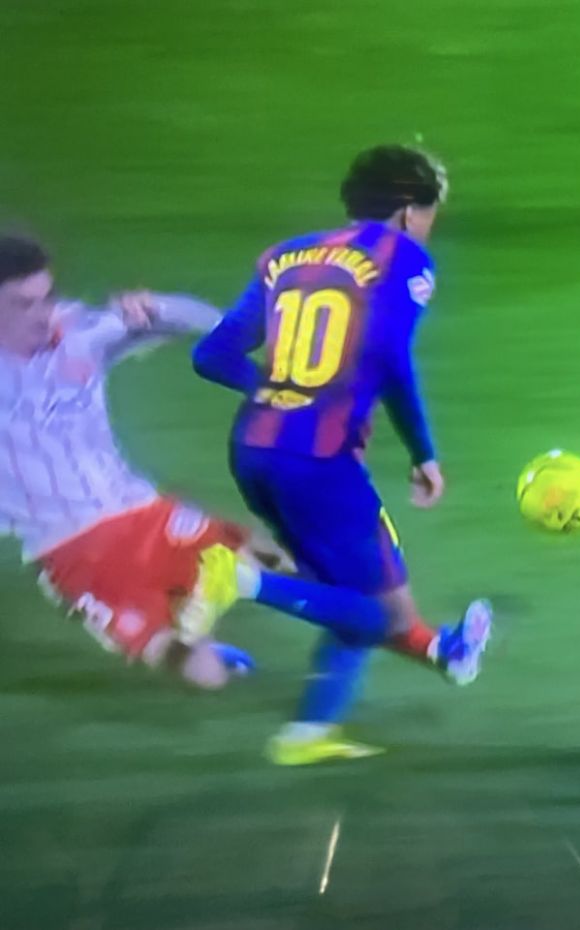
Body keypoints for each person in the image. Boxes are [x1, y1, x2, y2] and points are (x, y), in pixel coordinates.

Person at [192, 144, 492, 766]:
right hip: (318, 463)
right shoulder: (403, 257)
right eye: (431, 212)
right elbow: (391, 359)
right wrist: (423, 453)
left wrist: (277, 392)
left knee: (356, 597)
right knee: (375, 616)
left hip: (253, 450)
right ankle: (239, 580)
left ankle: (311, 732)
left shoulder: (286, 254)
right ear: (408, 210)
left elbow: (212, 355)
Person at [0, 234, 267, 687]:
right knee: (201, 674)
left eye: (46, 297)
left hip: (144, 510)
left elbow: (200, 319)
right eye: (23, 305)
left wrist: (155, 307)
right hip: (75, 548)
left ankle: (370, 621)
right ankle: (195, 622)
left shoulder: (77, 334)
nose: (42, 314)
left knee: (270, 554)